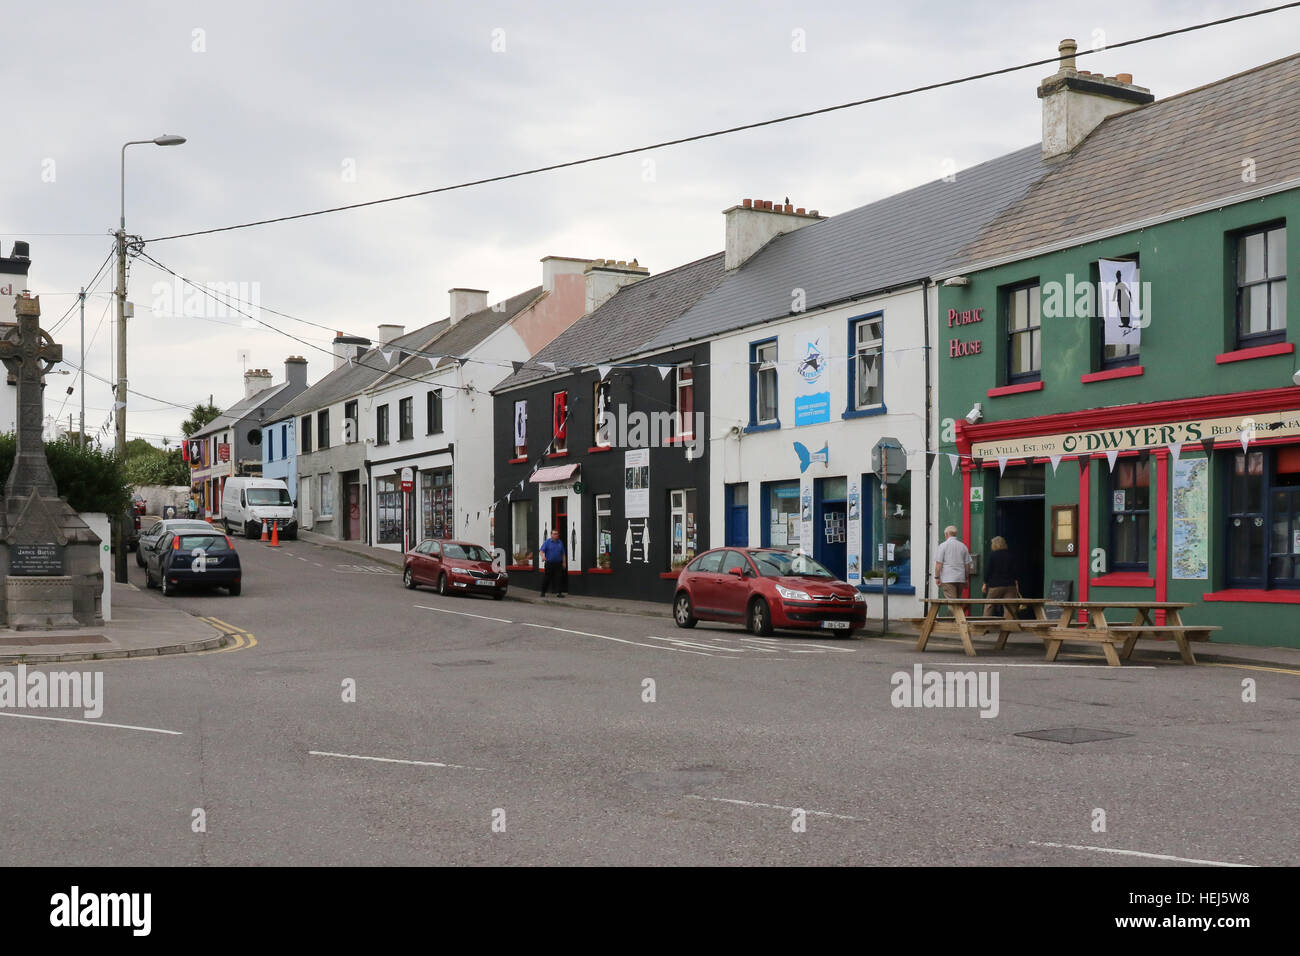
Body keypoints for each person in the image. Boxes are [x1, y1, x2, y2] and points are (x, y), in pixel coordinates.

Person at [981, 536, 1020, 617]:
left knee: (989, 605)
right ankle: (1007, 627)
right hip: (1010, 585)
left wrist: (985, 583)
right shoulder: (1010, 555)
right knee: (1010, 607)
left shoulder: (993, 555)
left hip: (995, 585)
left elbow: (989, 570)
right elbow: (1015, 571)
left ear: (994, 545)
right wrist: (1016, 583)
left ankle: (985, 626)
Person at [933, 525, 972, 599]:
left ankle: (958, 611)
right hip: (960, 579)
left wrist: (937, 577)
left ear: (946, 534)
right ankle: (957, 611)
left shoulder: (943, 546)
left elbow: (938, 564)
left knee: (953, 604)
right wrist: (966, 579)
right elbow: (967, 565)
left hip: (948, 578)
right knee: (957, 602)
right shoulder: (963, 546)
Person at [539, 528, 567, 597]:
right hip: (549, 563)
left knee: (559, 578)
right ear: (551, 535)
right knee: (547, 578)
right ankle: (543, 592)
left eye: (556, 534)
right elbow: (541, 551)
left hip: (558, 563)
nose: (555, 535)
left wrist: (564, 562)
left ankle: (559, 593)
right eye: (554, 534)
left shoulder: (560, 542)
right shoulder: (547, 542)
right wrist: (543, 557)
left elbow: (563, 554)